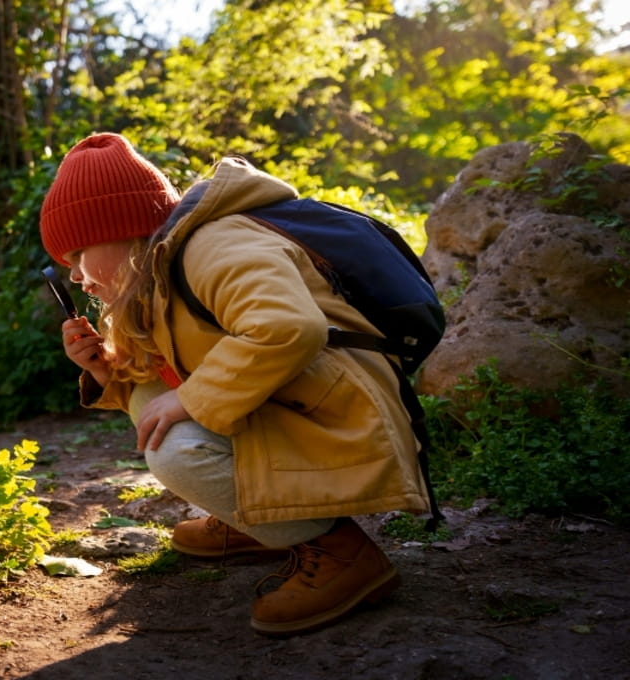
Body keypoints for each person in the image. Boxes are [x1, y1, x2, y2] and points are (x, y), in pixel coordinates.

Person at [38, 132, 431, 636]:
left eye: (77, 253)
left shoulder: (215, 245)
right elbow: (162, 380)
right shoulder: (163, 272)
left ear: (119, 229)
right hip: (295, 406)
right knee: (153, 404)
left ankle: (342, 554)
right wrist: (102, 369)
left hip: (342, 414)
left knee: (175, 449)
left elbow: (288, 328)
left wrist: (191, 398)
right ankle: (256, 516)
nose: (75, 276)